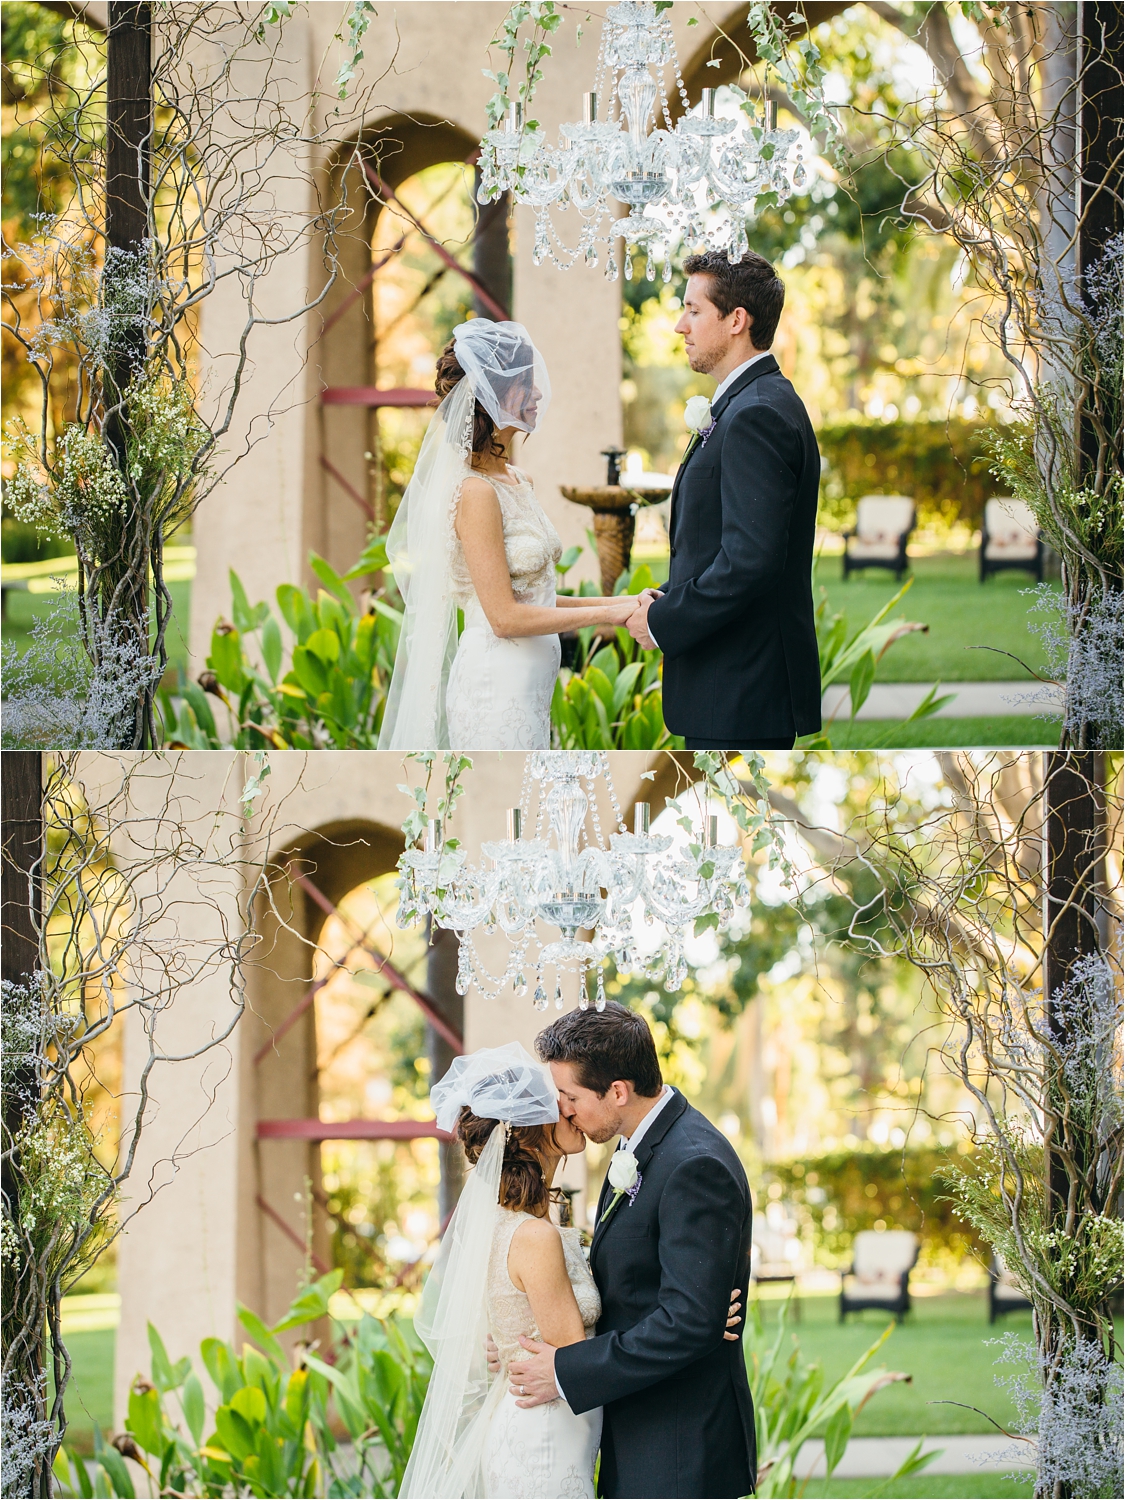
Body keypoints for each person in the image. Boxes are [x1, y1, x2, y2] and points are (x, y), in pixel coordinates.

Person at [402, 1039, 744, 1499]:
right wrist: (697, 1323)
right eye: (556, 1103)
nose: (566, 1109)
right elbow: (571, 1348)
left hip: (564, 1427)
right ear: (528, 1130)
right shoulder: (533, 1233)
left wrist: (692, 1319)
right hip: (545, 1434)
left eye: (570, 1099)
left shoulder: (531, 1219)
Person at [508, 1003, 756, 1499]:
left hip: (679, 1450)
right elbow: (633, 1285)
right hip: (640, 1433)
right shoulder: (635, 1148)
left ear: (617, 1091)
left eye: (570, 1095)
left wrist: (563, 1371)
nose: (563, 1109)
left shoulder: (693, 1164)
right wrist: (520, 1331)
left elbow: (688, 1322)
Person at [378, 320, 637, 750]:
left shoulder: (519, 480)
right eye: (527, 386)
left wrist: (626, 602)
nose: (537, 395)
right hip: (496, 689)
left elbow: (538, 597)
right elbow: (504, 618)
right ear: (495, 397)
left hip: (530, 689)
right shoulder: (474, 492)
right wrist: (610, 616)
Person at [624, 250, 822, 750]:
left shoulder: (758, 414)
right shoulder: (750, 403)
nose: (678, 326)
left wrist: (664, 622)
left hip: (741, 692)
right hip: (733, 688)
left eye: (693, 310)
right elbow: (726, 543)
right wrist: (670, 594)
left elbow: (749, 562)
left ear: (737, 320)